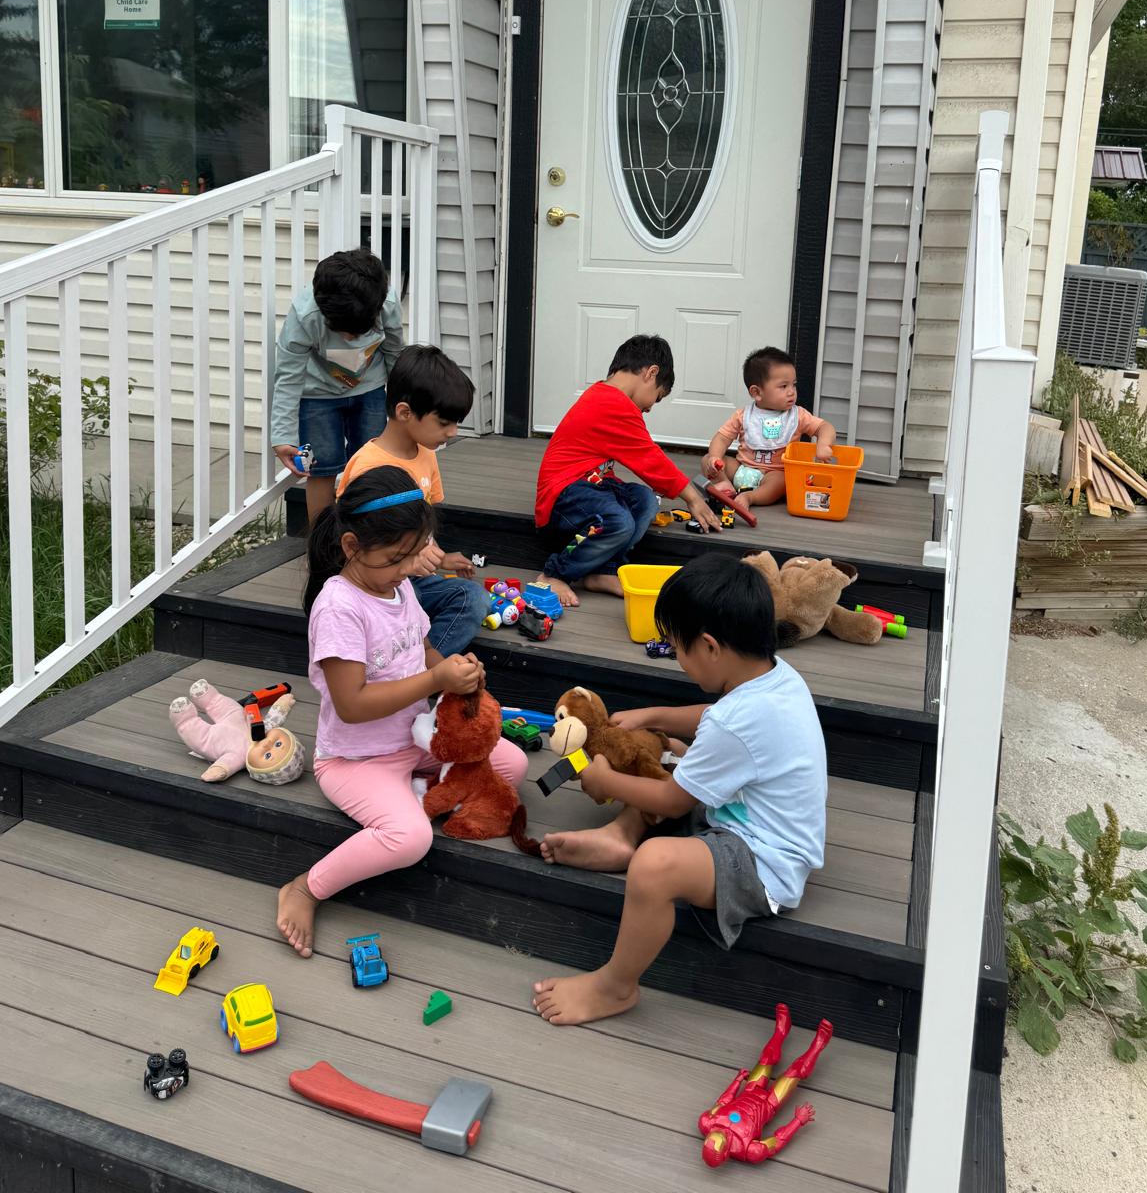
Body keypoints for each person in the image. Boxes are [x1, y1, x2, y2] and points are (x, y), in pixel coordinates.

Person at [531, 554, 827, 1027]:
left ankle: (615, 986)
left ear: (709, 647)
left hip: (764, 864)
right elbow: (714, 720)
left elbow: (675, 799)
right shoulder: (773, 676)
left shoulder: (739, 723)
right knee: (667, 753)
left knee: (654, 865)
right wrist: (653, 717)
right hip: (745, 819)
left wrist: (605, 781)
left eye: (676, 648)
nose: (677, 658)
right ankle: (620, 836)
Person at [276, 465, 528, 957]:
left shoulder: (397, 584)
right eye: (398, 557)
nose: (411, 566)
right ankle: (305, 887)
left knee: (512, 763)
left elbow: (421, 645)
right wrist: (435, 681)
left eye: (415, 553)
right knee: (410, 839)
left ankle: (422, 790)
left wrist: (454, 675)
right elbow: (351, 705)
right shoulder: (339, 608)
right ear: (351, 548)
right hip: (357, 760)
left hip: (416, 742)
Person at [534, 334, 721, 607]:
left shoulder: (607, 396)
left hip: (591, 485)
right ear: (651, 372)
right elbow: (650, 458)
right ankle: (555, 572)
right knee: (618, 521)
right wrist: (692, 498)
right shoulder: (611, 403)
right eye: (656, 398)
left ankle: (604, 570)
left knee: (644, 500)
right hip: (563, 496)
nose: (649, 408)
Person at [334, 344, 488, 658]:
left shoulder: (427, 456)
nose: (453, 432)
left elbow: (421, 528)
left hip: (412, 583)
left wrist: (439, 559)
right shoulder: (369, 467)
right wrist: (411, 564)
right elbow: (357, 548)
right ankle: (411, 669)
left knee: (474, 598)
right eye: (444, 423)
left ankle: (420, 665)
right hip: (374, 585)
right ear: (405, 412)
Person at [270, 249, 404, 523]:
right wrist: (282, 436)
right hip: (316, 396)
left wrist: (404, 402)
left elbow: (395, 354)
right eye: (342, 331)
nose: (351, 338)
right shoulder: (305, 316)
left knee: (373, 463)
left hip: (371, 390)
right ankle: (322, 544)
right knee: (321, 468)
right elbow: (288, 376)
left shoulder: (387, 304)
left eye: (359, 331)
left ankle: (369, 536)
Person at [703, 347, 837, 510]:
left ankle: (750, 497)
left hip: (773, 474)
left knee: (784, 481)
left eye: (793, 385)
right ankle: (724, 483)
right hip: (741, 469)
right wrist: (715, 458)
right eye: (783, 386)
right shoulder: (744, 415)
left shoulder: (798, 415)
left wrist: (823, 445)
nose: (791, 392)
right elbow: (722, 438)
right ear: (757, 392)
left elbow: (824, 427)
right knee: (707, 460)